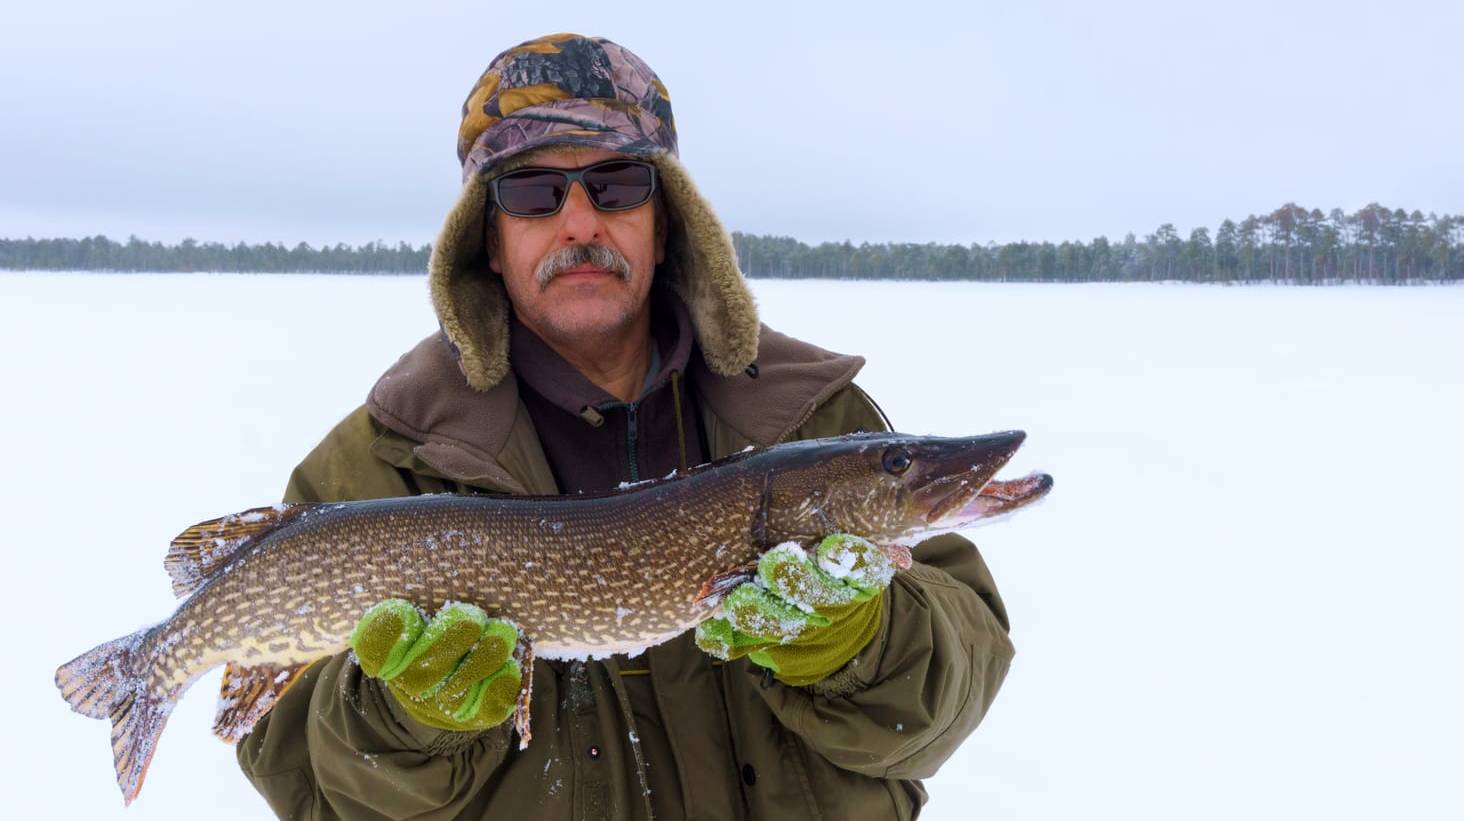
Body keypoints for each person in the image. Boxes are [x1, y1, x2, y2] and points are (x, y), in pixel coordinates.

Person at [234, 33, 1014, 820]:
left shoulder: (810, 416)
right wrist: (404, 722)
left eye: (616, 184)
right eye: (533, 194)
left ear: (666, 220)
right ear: (490, 242)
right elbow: (301, 776)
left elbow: (956, 689)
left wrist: (862, 646)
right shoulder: (380, 459)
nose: (579, 223)